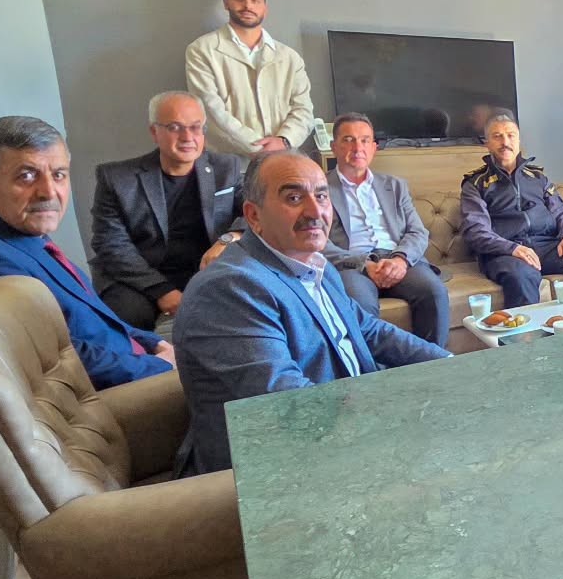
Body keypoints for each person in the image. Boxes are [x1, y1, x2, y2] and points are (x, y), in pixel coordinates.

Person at [171, 151, 451, 477]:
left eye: (321, 196)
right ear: (254, 215)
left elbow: (368, 330)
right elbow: (291, 403)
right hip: (281, 467)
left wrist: (448, 364)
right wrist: (394, 414)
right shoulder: (230, 289)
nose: (315, 211)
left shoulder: (316, 265)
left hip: (343, 425)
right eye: (294, 197)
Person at [0, 116, 175, 390]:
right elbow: (58, 360)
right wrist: (162, 366)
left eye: (58, 175)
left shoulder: (22, 234)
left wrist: (154, 342)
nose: (48, 192)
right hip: (113, 397)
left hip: (135, 365)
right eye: (27, 175)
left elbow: (98, 318)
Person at [89, 91, 245, 331]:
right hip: (139, 276)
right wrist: (162, 291)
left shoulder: (226, 167)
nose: (187, 137)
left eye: (195, 127)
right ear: (154, 132)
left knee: (242, 303)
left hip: (204, 268)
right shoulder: (117, 179)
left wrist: (229, 238)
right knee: (128, 316)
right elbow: (111, 244)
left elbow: (256, 213)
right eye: (174, 127)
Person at [323, 112, 450, 347]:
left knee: (434, 292)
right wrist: (365, 264)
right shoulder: (320, 189)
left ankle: (433, 363)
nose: (357, 148)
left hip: (396, 258)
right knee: (359, 303)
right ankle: (372, 368)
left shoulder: (395, 186)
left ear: (374, 148)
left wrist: (401, 260)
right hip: (352, 265)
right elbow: (319, 243)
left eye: (364, 140)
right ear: (334, 147)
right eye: (348, 140)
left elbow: (417, 231)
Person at [460, 114, 563, 308]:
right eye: (497, 136)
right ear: (487, 144)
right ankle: (529, 329)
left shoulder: (538, 177)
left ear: (519, 140)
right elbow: (476, 231)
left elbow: (561, 213)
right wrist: (512, 249)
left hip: (547, 245)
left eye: (511, 135)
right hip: (505, 252)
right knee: (522, 276)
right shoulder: (475, 184)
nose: (505, 142)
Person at [184, 0, 314, 156]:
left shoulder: (289, 58)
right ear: (226, 3)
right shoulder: (202, 50)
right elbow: (210, 110)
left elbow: (304, 109)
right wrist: (259, 149)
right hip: (230, 163)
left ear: (265, 8)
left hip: (284, 160)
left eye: (255, 0)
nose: (248, 6)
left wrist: (284, 140)